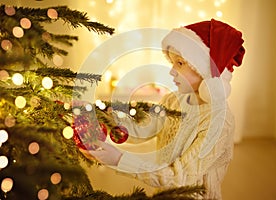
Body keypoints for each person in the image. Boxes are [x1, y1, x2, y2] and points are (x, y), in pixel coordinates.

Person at [88, 19, 245, 200]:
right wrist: (108, 120)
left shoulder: (219, 122)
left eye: (180, 63)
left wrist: (119, 160)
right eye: (171, 62)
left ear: (205, 70)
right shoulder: (173, 100)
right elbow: (143, 128)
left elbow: (180, 177)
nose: (171, 71)